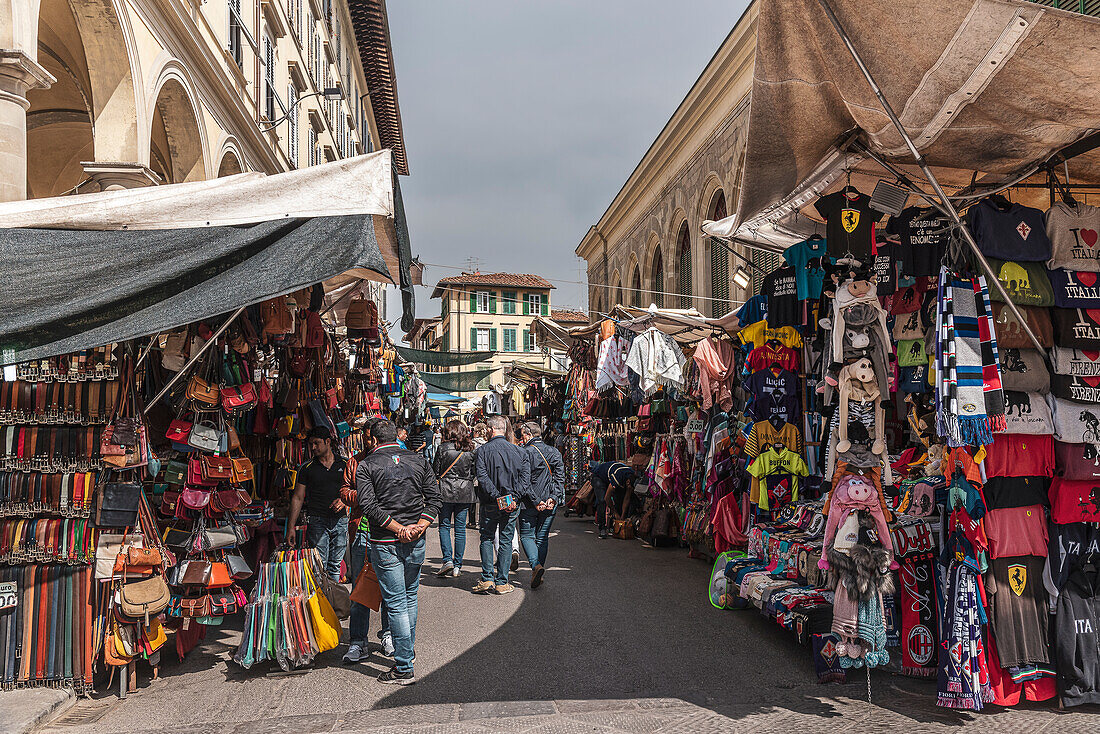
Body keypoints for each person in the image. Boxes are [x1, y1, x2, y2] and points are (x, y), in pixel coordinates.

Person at [356, 420, 442, 684]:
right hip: (414, 539)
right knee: (409, 597)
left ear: (372, 439)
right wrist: (417, 527)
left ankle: (404, 666)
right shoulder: (418, 461)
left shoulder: (367, 465)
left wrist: (397, 528)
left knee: (396, 602)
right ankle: (408, 652)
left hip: (386, 542)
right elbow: (435, 498)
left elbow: (368, 506)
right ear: (398, 437)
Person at [338, 418, 392, 663]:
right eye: (365, 437)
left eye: (371, 437)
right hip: (361, 530)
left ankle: (388, 634)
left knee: (389, 585)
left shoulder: (392, 458)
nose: (368, 442)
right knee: (359, 587)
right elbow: (345, 492)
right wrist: (365, 495)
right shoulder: (354, 462)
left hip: (387, 529)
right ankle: (358, 641)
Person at [472, 415, 528, 594]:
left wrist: (497, 497)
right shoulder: (519, 451)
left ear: (490, 429)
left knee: (487, 538)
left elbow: (482, 477)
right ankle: (502, 581)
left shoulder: (482, 451)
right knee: (505, 539)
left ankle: (488, 578)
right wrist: (513, 498)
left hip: (490, 502)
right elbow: (525, 479)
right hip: (510, 502)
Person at [288, 426, 348, 581]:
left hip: (340, 521)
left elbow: (356, 490)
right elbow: (298, 498)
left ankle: (331, 599)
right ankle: (322, 602)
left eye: (316, 443)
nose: (313, 447)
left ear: (327, 442)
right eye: (311, 444)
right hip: (317, 521)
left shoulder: (344, 464)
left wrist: (344, 501)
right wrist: (291, 527)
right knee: (319, 564)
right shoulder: (306, 468)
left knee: (335, 565)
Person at [517, 422, 565, 588]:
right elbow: (560, 478)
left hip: (530, 503)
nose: (521, 438)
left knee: (527, 535)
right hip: (550, 502)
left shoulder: (524, 453)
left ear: (529, 435)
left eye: (522, 434)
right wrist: (553, 497)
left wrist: (536, 500)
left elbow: (524, 482)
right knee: (542, 536)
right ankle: (538, 568)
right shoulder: (554, 452)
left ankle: (535, 566)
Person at [433, 420, 476, 577]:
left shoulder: (443, 448)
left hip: (445, 490)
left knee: (444, 526)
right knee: (460, 529)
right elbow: (473, 472)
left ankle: (447, 560)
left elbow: (435, 471)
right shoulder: (470, 449)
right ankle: (458, 565)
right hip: (464, 492)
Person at [589, 460, 635, 539]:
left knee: (619, 498)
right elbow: (607, 497)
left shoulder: (631, 477)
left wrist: (622, 517)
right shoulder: (618, 477)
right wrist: (615, 512)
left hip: (610, 475)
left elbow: (626, 498)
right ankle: (602, 528)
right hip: (599, 477)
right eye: (628, 486)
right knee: (602, 501)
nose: (629, 488)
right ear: (627, 482)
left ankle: (616, 525)